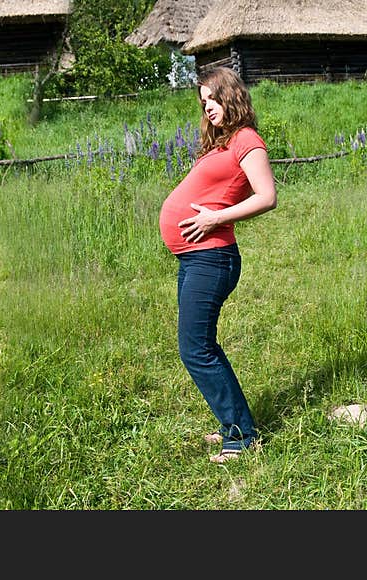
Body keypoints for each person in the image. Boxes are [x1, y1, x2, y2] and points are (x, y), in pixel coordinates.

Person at [159, 67, 277, 463]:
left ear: (231, 95)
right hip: (195, 258)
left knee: (195, 349)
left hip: (213, 257)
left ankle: (242, 437)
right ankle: (234, 424)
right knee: (201, 346)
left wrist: (214, 218)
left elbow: (267, 196)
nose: (208, 106)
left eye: (213, 98)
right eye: (203, 101)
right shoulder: (222, 142)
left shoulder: (247, 140)